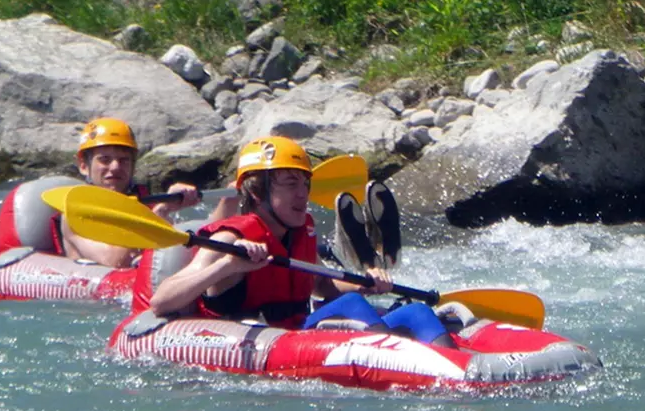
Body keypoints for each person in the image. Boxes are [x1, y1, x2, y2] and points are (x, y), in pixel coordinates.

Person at [148, 136, 454, 346]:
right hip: (252, 339)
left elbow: (321, 284)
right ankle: (399, 359)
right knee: (351, 305)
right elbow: (162, 301)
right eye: (290, 183)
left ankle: (458, 371)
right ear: (256, 193)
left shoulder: (301, 231)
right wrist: (228, 265)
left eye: (305, 183)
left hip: (296, 330)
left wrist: (365, 282)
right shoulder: (230, 238)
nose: (302, 194)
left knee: (416, 311)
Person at [60, 118, 202, 268]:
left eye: (124, 160)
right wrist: (159, 213)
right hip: (95, 286)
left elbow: (175, 252)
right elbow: (115, 261)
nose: (115, 167)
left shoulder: (143, 202)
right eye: (105, 160)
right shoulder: (74, 215)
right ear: (83, 165)